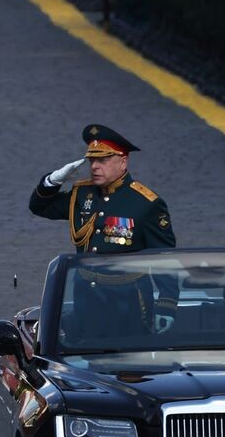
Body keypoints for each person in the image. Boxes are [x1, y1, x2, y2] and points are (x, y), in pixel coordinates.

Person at [31, 125, 176, 338]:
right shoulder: (82, 194)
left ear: (123, 161)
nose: (95, 167)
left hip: (128, 298)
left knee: (128, 360)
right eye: (92, 161)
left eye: (103, 160)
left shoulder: (145, 203)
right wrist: (53, 180)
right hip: (86, 293)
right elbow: (40, 207)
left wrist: (166, 305)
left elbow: (164, 259)